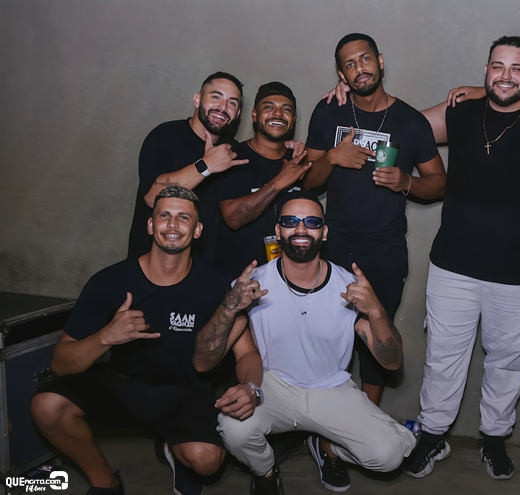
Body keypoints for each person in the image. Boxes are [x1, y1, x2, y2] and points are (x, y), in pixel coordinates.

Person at [405, 36, 520, 481]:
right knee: (443, 357)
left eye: (516, 68)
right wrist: (351, 100)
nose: (506, 76)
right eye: (498, 67)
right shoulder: (461, 112)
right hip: (454, 267)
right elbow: (402, 125)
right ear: (485, 70)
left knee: (509, 362)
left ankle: (495, 439)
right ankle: (432, 435)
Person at [31, 186, 251, 495]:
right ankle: (105, 483)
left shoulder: (216, 285)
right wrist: (106, 337)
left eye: (183, 217)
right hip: (123, 385)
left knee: (207, 461)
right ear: (150, 225)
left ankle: (176, 448)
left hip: (185, 391)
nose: (172, 224)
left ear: (198, 230)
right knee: (47, 405)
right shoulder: (110, 281)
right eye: (164, 215)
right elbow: (61, 363)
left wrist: (251, 387)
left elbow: (247, 353)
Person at [193, 196, 417, 494]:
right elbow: (203, 361)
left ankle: (329, 448)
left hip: (331, 388)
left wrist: (376, 310)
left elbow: (392, 361)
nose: (300, 229)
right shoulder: (252, 285)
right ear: (278, 231)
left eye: (311, 222)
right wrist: (229, 306)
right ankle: (266, 472)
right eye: (290, 221)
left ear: (324, 232)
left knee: (389, 454)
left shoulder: (348, 286)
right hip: (273, 386)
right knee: (233, 428)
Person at [304, 33, 446, 406]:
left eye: (365, 59)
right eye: (349, 64)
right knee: (324, 335)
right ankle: (322, 420)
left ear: (380, 61)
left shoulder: (411, 121)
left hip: (386, 249)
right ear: (341, 73)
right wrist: (331, 158)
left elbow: (439, 183)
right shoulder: (328, 111)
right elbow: (309, 181)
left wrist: (407, 182)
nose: (359, 68)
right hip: (334, 246)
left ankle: (366, 418)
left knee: (376, 337)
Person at [127, 72, 249, 261]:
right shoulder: (166, 136)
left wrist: (291, 148)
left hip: (204, 270)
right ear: (197, 100)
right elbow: (152, 197)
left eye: (232, 103)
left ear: (238, 113)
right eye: (216, 97)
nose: (223, 107)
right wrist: (206, 165)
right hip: (152, 266)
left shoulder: (233, 152)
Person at [212, 81, 312, 277]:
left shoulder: (300, 161)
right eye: (269, 107)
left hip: (288, 280)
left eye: (286, 109)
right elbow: (233, 219)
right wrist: (278, 183)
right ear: (254, 115)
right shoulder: (232, 157)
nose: (278, 114)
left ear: (293, 119)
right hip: (238, 278)